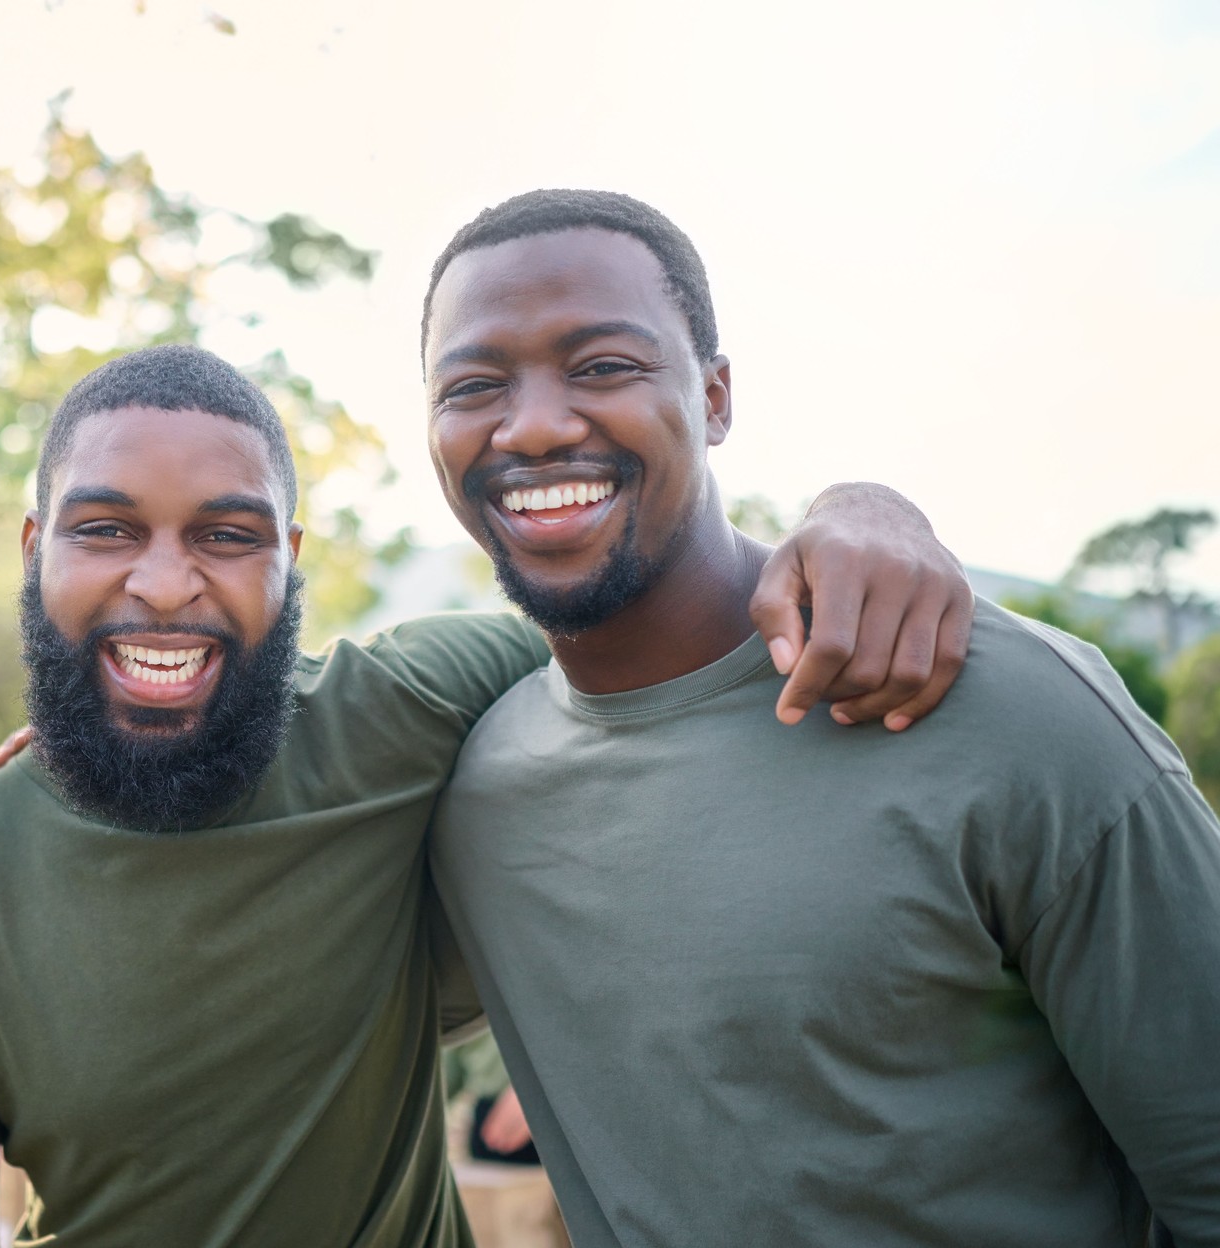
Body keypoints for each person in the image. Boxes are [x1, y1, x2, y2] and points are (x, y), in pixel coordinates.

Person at [0, 343, 972, 1247]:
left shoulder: (394, 713)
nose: (161, 582)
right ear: (36, 547)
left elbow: (666, 613)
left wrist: (863, 511)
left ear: (288, 559)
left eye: (226, 537)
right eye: (106, 531)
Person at [423, 189, 1220, 1246]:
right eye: (475, 385)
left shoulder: (1007, 707)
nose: (531, 424)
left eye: (603, 366)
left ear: (714, 397)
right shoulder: (472, 787)